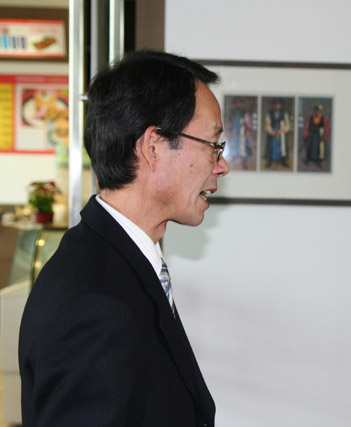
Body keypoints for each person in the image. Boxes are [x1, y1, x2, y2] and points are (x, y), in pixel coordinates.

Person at [19, 50, 229, 426]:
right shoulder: (95, 304)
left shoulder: (115, 263)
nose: (222, 166)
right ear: (153, 147)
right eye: (213, 146)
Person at [226, 97, 253, 169]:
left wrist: (248, 131)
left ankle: (244, 161)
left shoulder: (245, 112)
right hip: (234, 131)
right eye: (237, 103)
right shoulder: (233, 112)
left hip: (242, 131)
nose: (238, 104)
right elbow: (230, 122)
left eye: (239, 103)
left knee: (243, 146)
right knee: (234, 144)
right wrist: (229, 130)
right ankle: (233, 158)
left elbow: (248, 122)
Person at [264, 98, 290, 168]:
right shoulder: (269, 113)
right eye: (275, 104)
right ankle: (269, 161)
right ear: (273, 105)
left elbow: (288, 126)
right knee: (271, 146)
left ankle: (283, 161)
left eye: (278, 104)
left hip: (281, 132)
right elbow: (267, 125)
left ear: (280, 105)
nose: (276, 106)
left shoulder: (284, 114)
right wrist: (273, 132)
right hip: (272, 133)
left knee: (283, 147)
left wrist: (280, 132)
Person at [303, 104, 330, 168]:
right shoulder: (310, 118)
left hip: (320, 136)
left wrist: (324, 137)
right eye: (315, 111)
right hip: (311, 136)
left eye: (318, 111)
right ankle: (311, 161)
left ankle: (321, 162)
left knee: (321, 149)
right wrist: (305, 136)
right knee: (310, 148)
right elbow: (306, 127)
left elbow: (327, 129)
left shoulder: (324, 119)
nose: (317, 112)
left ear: (320, 112)